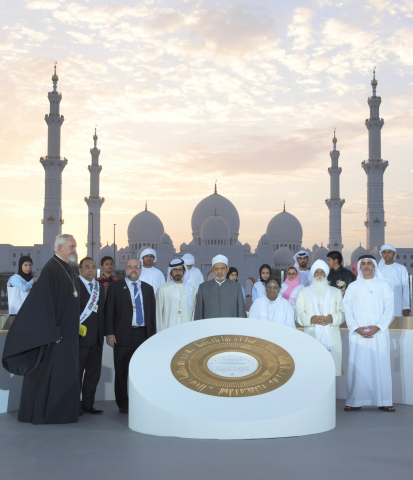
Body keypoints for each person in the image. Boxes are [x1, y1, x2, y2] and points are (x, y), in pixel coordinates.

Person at [2, 234, 80, 424]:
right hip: (55, 335)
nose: (74, 250)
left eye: (75, 246)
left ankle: (64, 413)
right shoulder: (51, 269)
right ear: (60, 247)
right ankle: (49, 414)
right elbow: (43, 305)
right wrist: (53, 331)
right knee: (49, 375)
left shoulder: (66, 268)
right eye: (71, 246)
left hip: (66, 333)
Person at [343, 255, 395, 412]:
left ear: (374, 266)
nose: (366, 266)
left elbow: (389, 310)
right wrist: (356, 328)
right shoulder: (353, 287)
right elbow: (347, 309)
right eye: (363, 264)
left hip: (378, 334)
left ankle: (384, 400)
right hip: (358, 334)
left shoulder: (384, 285)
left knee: (381, 365)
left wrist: (378, 327)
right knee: (357, 367)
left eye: (369, 264)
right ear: (360, 267)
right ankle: (354, 401)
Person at [104, 258, 156, 413]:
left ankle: (141, 400)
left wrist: (152, 336)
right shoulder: (115, 287)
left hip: (143, 335)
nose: (134, 269)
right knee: (121, 371)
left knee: (141, 371)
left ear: (141, 270)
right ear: (125, 269)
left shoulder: (148, 288)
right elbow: (109, 312)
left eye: (137, 267)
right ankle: (123, 404)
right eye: (131, 267)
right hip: (122, 336)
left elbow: (152, 315)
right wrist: (109, 333)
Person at [295, 259, 345, 376]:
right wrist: (312, 319)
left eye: (322, 272)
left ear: (326, 274)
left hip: (332, 338)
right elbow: (298, 315)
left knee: (331, 373)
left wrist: (331, 318)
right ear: (313, 274)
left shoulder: (336, 292)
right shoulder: (303, 292)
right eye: (316, 272)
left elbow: (342, 314)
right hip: (311, 336)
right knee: (313, 373)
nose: (319, 275)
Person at [78, 257, 105, 415]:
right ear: (80, 270)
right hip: (79, 338)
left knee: (93, 375)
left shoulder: (100, 287)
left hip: (96, 339)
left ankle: (88, 405)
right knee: (77, 374)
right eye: (87, 267)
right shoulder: (73, 285)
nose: (90, 270)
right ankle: (74, 406)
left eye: (93, 267)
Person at [194, 255, 246, 320]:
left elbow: (241, 312)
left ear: (227, 269)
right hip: (209, 328)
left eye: (222, 268)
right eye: (216, 269)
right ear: (212, 270)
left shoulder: (236, 287)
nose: (219, 272)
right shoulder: (203, 288)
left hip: (231, 328)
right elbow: (198, 314)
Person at [156, 259, 196, 331]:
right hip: (169, 330)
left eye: (180, 270)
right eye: (175, 270)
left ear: (184, 271)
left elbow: (193, 313)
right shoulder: (162, 289)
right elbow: (158, 315)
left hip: (187, 330)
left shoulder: (191, 289)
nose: (178, 272)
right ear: (170, 271)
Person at [378, 244, 410, 317]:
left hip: (397, 302)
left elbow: (405, 288)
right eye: (384, 252)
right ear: (381, 254)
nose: (387, 254)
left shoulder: (401, 268)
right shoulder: (378, 270)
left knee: (397, 325)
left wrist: (406, 307)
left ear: (394, 253)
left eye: (389, 252)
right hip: (382, 302)